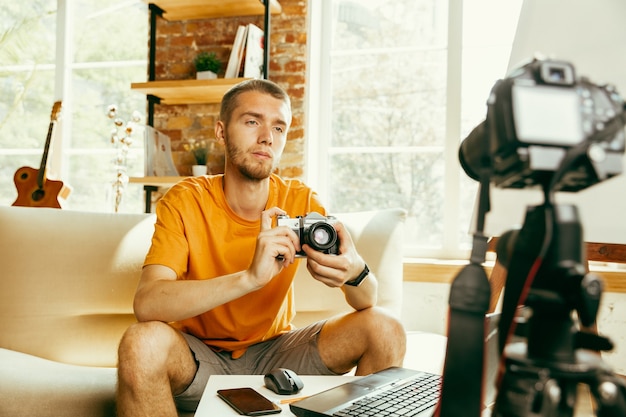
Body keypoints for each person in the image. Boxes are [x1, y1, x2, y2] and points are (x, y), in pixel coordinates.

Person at [116, 79, 407, 416]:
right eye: (252, 121)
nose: (267, 137)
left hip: (278, 352)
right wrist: (249, 278)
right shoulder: (185, 201)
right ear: (222, 132)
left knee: (386, 329)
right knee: (140, 343)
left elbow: (367, 300)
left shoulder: (300, 200)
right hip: (199, 358)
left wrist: (354, 270)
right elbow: (148, 304)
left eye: (279, 127)